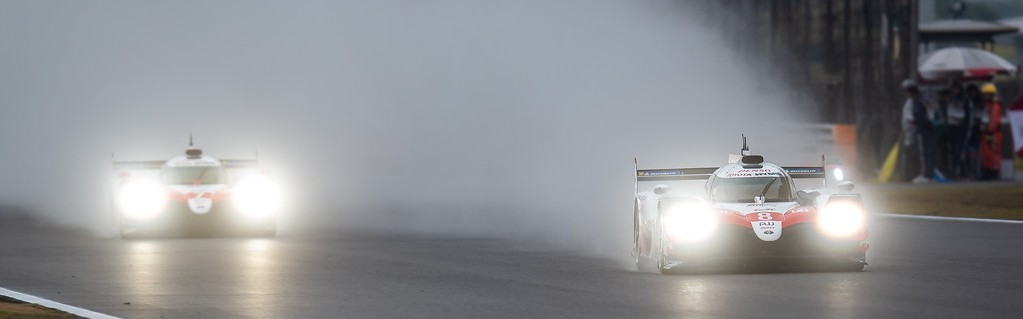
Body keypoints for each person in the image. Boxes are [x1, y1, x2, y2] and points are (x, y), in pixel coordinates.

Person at [901, 79, 936, 183]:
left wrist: (914, 121)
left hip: (922, 130)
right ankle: (927, 175)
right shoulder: (916, 101)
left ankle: (925, 175)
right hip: (922, 129)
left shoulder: (917, 101)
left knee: (924, 153)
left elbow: (921, 117)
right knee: (925, 152)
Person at [945, 79, 971, 179]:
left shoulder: (964, 99)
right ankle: (955, 172)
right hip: (952, 128)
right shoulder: (950, 99)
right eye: (953, 88)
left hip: (961, 129)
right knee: (953, 151)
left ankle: (963, 172)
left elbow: (966, 116)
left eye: (957, 88)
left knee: (959, 151)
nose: (955, 90)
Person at [978, 83, 1003, 180]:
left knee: (993, 152)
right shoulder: (986, 105)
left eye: (987, 94)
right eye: (985, 94)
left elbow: (994, 120)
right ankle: (987, 171)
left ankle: (994, 172)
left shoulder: (995, 106)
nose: (985, 96)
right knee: (985, 153)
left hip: (993, 133)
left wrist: (989, 130)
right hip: (986, 133)